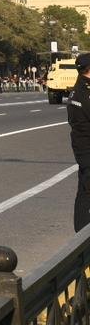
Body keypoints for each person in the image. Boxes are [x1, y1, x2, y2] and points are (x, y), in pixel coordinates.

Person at [68, 52, 90, 230]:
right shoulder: (83, 93)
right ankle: (82, 233)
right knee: (86, 191)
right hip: (87, 149)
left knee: (84, 190)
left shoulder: (80, 89)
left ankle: (81, 231)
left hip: (83, 148)